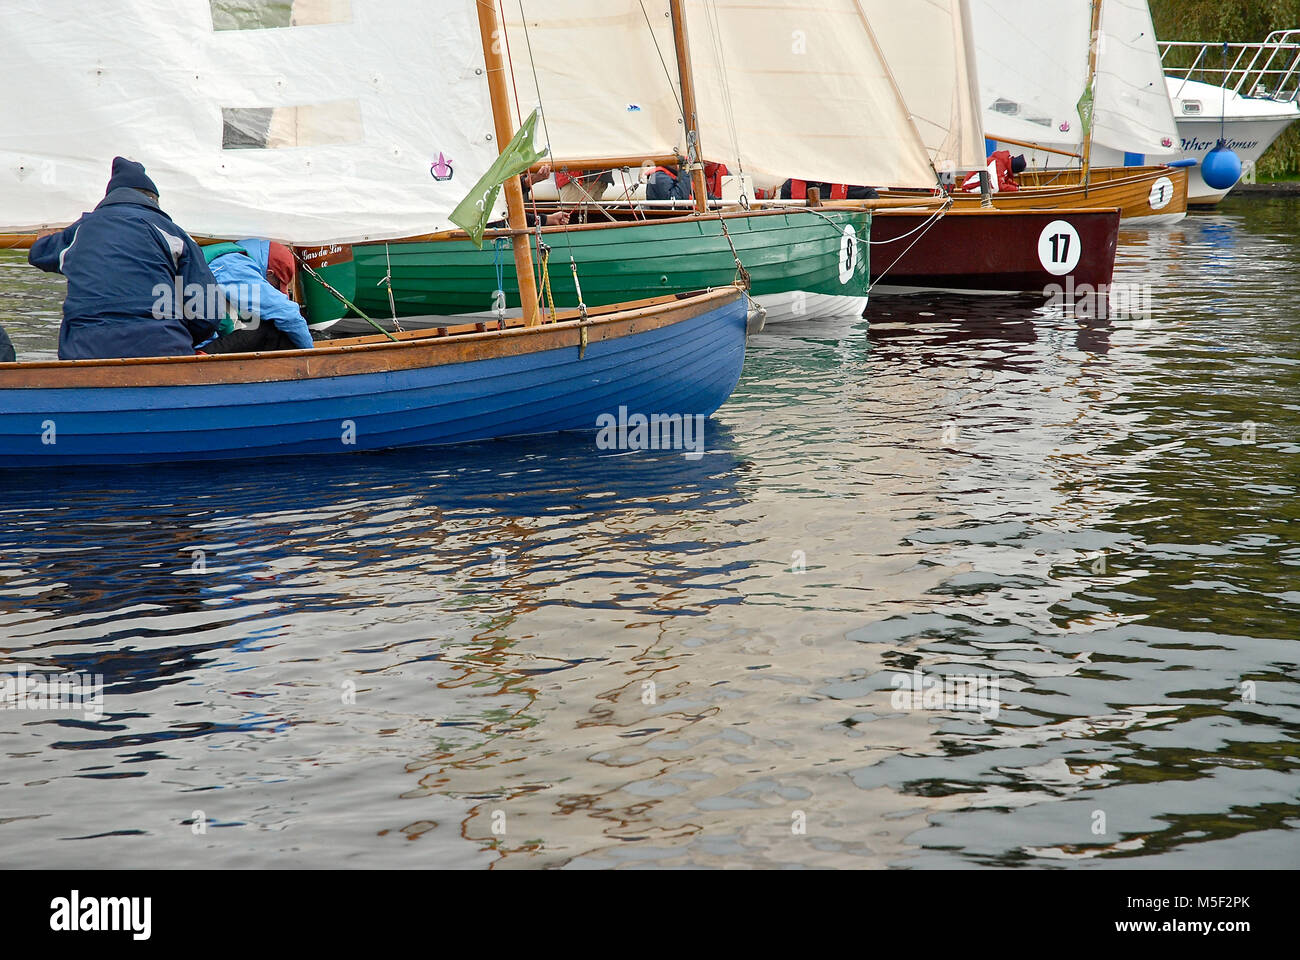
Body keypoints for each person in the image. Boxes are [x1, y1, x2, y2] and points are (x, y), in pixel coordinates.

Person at [28, 157, 223, 360]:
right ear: (153, 200)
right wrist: (181, 336)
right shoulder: (174, 234)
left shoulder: (79, 231)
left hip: (84, 351)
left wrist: (46, 238)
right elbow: (206, 312)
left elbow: (38, 254)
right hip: (162, 346)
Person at [199, 239, 314, 354]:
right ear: (269, 273)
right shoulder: (234, 264)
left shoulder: (219, 257)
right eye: (277, 285)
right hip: (197, 351)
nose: (275, 290)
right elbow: (288, 314)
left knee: (254, 321)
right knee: (272, 328)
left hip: (191, 343)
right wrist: (311, 355)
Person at [961, 150, 1027, 194]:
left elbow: (1004, 180)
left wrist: (1016, 187)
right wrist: (1015, 189)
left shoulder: (1004, 163)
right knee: (995, 189)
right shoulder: (997, 164)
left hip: (979, 188)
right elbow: (998, 186)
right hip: (969, 189)